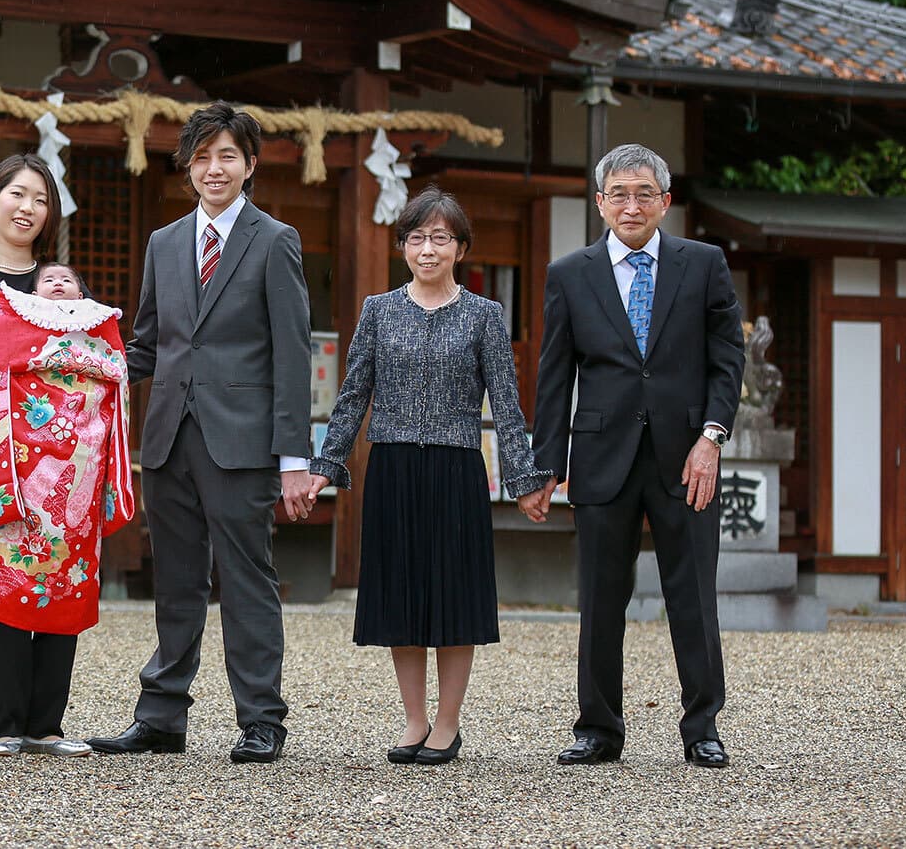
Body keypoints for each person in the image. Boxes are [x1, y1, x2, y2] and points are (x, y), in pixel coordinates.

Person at [90, 103, 323, 765]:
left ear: (249, 165)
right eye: (202, 157)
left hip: (242, 440)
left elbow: (292, 352)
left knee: (246, 578)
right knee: (177, 579)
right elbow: (146, 344)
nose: (213, 168)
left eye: (227, 155)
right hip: (167, 437)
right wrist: (80, 365)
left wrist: (293, 458)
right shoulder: (164, 242)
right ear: (188, 167)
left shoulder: (275, 239)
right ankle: (162, 716)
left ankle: (262, 719)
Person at [521, 143, 744, 770]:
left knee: (693, 595)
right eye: (618, 193)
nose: (632, 204)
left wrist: (712, 437)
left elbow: (728, 359)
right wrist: (545, 466)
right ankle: (597, 728)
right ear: (599, 203)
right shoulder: (570, 273)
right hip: (602, 454)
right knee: (599, 597)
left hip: (687, 456)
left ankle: (702, 727)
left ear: (665, 202)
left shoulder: (703, 265)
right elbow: (555, 374)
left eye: (645, 193)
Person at [310, 186, 550, 766]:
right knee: (400, 594)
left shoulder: (484, 316)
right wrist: (325, 465)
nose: (427, 248)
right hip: (391, 466)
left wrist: (523, 480)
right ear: (402, 246)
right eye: (416, 237)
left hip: (456, 468)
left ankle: (448, 723)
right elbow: (352, 395)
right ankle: (414, 719)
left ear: (460, 248)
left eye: (440, 237)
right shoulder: (378, 310)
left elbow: (507, 404)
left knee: (453, 594)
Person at [0, 161, 136, 758]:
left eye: (40, 198)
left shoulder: (65, 287)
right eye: (17, 194)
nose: (28, 207)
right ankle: (8, 723)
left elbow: (96, 365)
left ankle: (50, 723)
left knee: (63, 581)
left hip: (67, 460)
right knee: (7, 580)